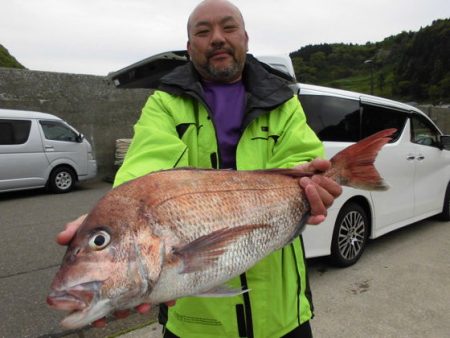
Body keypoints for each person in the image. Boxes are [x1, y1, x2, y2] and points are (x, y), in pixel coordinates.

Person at [57, 0, 342, 337]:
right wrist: (113, 221)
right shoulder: (165, 103)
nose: (217, 38)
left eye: (228, 27)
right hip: (196, 324)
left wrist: (319, 184)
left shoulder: (283, 100)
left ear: (246, 38)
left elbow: (305, 165)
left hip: (282, 313)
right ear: (190, 47)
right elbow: (143, 170)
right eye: (203, 32)